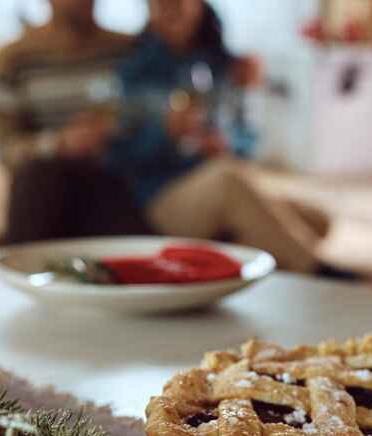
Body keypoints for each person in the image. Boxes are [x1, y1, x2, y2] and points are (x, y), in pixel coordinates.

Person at [107, 0, 329, 273]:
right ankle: (317, 271)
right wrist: (164, 134)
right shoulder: (134, 71)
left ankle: (251, 265)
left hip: (218, 175)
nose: (168, 7)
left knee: (319, 220)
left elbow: (247, 137)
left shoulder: (223, 64)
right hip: (164, 197)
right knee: (230, 184)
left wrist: (228, 143)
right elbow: (119, 154)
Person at [0, 0, 152, 243]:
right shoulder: (13, 59)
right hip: (44, 188)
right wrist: (61, 144)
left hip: (114, 182)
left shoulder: (128, 50)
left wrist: (113, 130)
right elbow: (6, 150)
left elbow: (152, 120)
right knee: (40, 177)